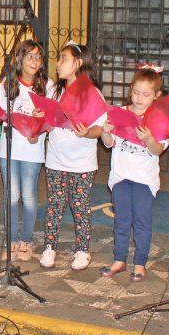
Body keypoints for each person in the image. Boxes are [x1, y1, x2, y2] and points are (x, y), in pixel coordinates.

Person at [98, 66, 169, 282]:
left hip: (144, 180)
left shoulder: (160, 118)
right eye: (136, 92)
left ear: (157, 95)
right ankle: (119, 259)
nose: (139, 98)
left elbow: (158, 150)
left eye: (146, 94)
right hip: (121, 176)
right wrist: (105, 132)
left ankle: (140, 263)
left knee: (141, 222)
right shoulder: (120, 112)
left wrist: (149, 139)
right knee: (121, 221)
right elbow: (108, 144)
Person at [40, 42, 105, 270]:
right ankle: (49, 247)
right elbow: (49, 122)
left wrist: (87, 132)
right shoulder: (54, 91)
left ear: (78, 63)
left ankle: (82, 250)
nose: (58, 64)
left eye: (64, 59)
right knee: (54, 205)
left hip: (82, 163)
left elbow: (100, 129)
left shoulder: (92, 94)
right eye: (59, 58)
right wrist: (42, 117)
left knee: (80, 207)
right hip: (55, 159)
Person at [0, 40, 55, 261]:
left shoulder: (48, 85)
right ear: (19, 59)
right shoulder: (8, 84)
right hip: (9, 148)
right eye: (30, 56)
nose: (34, 61)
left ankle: (26, 241)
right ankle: (11, 241)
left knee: (28, 196)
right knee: (11, 196)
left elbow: (53, 118)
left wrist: (41, 121)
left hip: (32, 149)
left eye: (38, 57)